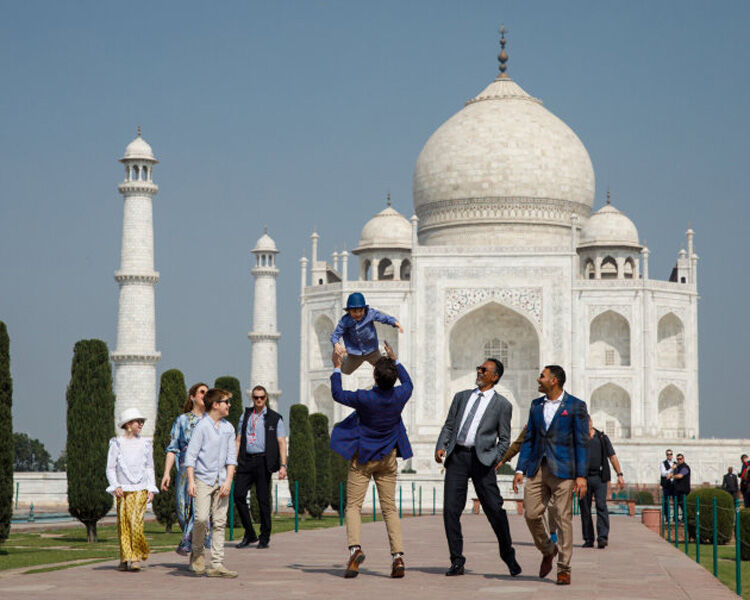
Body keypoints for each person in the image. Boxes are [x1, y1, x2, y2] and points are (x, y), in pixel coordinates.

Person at [330, 340, 412, 579]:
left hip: (363, 456)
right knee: (389, 509)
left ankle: (355, 549)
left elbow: (337, 394)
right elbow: (409, 383)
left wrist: (337, 366)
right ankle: (398, 557)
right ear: (393, 378)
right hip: (388, 458)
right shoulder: (400, 396)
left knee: (354, 506)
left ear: (375, 377)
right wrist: (395, 360)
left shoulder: (365, 398)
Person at [435, 358, 521, 578]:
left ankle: (507, 554)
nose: (480, 372)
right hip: (458, 457)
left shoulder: (503, 405)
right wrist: (441, 446)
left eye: (485, 370)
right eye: (479, 369)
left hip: (482, 461)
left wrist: (493, 458)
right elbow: (449, 425)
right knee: (451, 511)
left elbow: (504, 440)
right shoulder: (462, 397)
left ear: (495, 376)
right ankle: (457, 560)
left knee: (495, 509)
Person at [513, 365, 588, 586]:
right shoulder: (536, 406)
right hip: (537, 468)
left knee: (562, 518)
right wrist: (519, 469)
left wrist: (581, 475)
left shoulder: (575, 406)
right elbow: (529, 440)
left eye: (542, 376)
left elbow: (582, 443)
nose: (538, 379)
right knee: (531, 513)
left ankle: (564, 568)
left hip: (564, 470)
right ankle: (548, 549)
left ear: (554, 380)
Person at [184, 388, 238, 578]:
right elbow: (190, 456)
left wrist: (228, 481)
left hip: (222, 480)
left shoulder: (228, 428)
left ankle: (216, 563)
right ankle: (197, 554)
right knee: (200, 519)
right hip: (203, 479)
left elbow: (232, 458)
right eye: (226, 402)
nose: (229, 405)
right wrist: (191, 481)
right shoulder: (202, 426)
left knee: (220, 522)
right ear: (216, 405)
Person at [233, 384, 288, 549]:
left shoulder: (275, 418)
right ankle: (250, 533)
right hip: (246, 460)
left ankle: (265, 537)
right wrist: (233, 462)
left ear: (266, 398)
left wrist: (283, 465)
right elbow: (238, 440)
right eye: (256, 397)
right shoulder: (246, 415)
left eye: (261, 397)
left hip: (264, 462)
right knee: (238, 495)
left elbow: (281, 442)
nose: (258, 400)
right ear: (252, 398)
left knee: (263, 500)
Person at [106, 408, 158, 572]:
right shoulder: (117, 443)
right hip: (124, 491)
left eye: (142, 421)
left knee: (136, 523)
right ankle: (125, 557)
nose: (141, 424)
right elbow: (110, 468)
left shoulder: (146, 443)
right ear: (128, 424)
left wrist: (151, 488)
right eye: (138, 421)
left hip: (140, 489)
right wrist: (116, 485)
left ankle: (135, 557)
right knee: (124, 524)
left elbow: (149, 467)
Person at [161, 382, 209, 556]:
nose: (205, 395)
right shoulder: (182, 421)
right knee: (183, 512)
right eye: (202, 392)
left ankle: (194, 550)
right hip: (183, 472)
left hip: (204, 471)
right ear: (192, 396)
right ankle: (193, 543)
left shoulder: (211, 421)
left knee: (199, 512)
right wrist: (167, 472)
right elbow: (172, 448)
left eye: (207, 393)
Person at [497, 425, 557, 545]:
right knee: (532, 511)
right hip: (537, 470)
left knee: (554, 506)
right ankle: (546, 538)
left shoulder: (564, 416)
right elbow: (519, 444)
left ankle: (553, 532)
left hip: (558, 470)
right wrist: (502, 459)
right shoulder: (534, 421)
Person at [579, 417, 625, 549]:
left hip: (599, 477)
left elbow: (612, 456)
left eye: (587, 422)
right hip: (583, 479)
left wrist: (619, 474)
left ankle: (602, 538)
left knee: (601, 506)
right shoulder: (579, 439)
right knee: (585, 508)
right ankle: (588, 538)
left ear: (591, 422)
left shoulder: (601, 437)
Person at [331, 292, 403, 375]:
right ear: (349, 311)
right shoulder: (345, 321)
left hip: (372, 351)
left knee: (385, 371)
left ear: (364, 309)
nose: (358, 314)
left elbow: (383, 318)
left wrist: (394, 322)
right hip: (355, 354)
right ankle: (343, 356)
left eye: (360, 311)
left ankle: (378, 382)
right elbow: (335, 335)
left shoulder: (370, 314)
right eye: (354, 311)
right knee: (345, 371)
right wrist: (336, 344)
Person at [672, 453, 691, 521]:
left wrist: (672, 476)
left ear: (683, 459)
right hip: (677, 489)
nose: (679, 460)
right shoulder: (677, 467)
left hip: (683, 490)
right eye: (678, 459)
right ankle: (676, 517)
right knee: (676, 504)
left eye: (680, 459)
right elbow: (674, 473)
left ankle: (685, 518)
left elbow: (680, 476)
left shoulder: (685, 467)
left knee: (683, 505)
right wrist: (673, 469)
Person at [659, 449, 676, 522]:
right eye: (668, 454)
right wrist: (671, 469)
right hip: (666, 485)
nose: (669, 456)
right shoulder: (663, 464)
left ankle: (676, 517)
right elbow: (663, 473)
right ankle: (667, 517)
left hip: (674, 485)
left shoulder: (675, 463)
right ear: (666, 455)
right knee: (666, 501)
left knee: (676, 501)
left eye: (670, 454)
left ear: (672, 455)